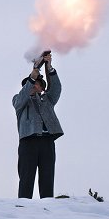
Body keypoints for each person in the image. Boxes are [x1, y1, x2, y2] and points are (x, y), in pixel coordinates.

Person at [12, 52, 63, 198]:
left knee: (47, 177)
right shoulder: (19, 100)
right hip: (28, 141)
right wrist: (33, 75)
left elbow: (56, 88)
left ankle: (48, 207)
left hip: (47, 142)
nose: (34, 86)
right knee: (26, 177)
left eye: (37, 84)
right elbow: (21, 98)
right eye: (31, 84)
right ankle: (23, 206)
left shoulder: (48, 100)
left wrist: (49, 67)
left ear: (42, 88)